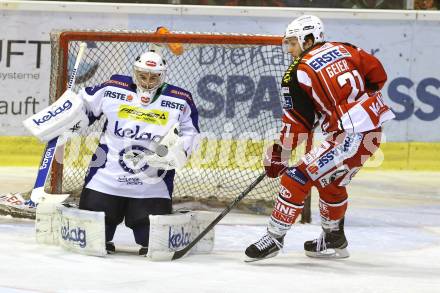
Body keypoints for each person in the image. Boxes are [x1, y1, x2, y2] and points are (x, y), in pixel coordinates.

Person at [245, 15, 395, 260]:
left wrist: (280, 155)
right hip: (372, 132)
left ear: (310, 38)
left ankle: (274, 238)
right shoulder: (346, 48)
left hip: (350, 137)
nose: (290, 49)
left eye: (294, 43)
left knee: (296, 177)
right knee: (331, 182)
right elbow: (378, 75)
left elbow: (297, 124)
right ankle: (334, 238)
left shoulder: (296, 71)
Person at [77, 50, 200, 255]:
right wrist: (67, 118)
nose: (148, 81)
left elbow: (191, 132)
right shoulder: (112, 88)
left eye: (154, 77)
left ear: (163, 76)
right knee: (95, 234)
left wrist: (179, 150)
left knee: (151, 239)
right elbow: (84, 105)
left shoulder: (180, 99)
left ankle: (144, 223)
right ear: (135, 72)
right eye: (143, 75)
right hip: (107, 177)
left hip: (152, 183)